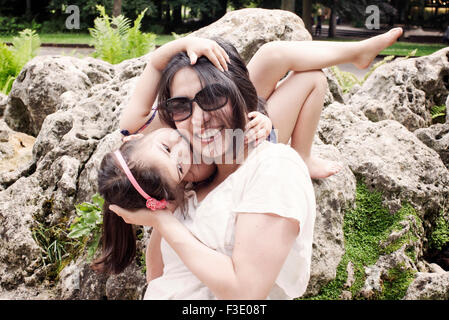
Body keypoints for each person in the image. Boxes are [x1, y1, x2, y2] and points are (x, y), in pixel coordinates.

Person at [104, 29, 403, 299]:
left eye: (167, 147)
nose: (180, 154)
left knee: (274, 57)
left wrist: (187, 43)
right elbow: (160, 271)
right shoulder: (177, 176)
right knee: (274, 67)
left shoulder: (142, 130)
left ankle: (306, 148)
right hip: (238, 139)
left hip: (243, 133)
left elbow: (157, 65)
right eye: (180, 106)